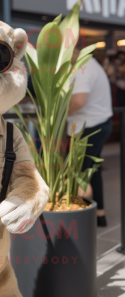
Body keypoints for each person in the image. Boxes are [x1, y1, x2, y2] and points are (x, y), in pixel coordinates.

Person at [68, 47, 113, 227]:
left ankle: (79, 219)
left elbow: (79, 100)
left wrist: (57, 113)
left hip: (88, 127)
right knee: (92, 171)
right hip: (98, 124)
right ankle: (99, 215)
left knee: (79, 174)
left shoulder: (83, 67)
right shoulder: (92, 64)